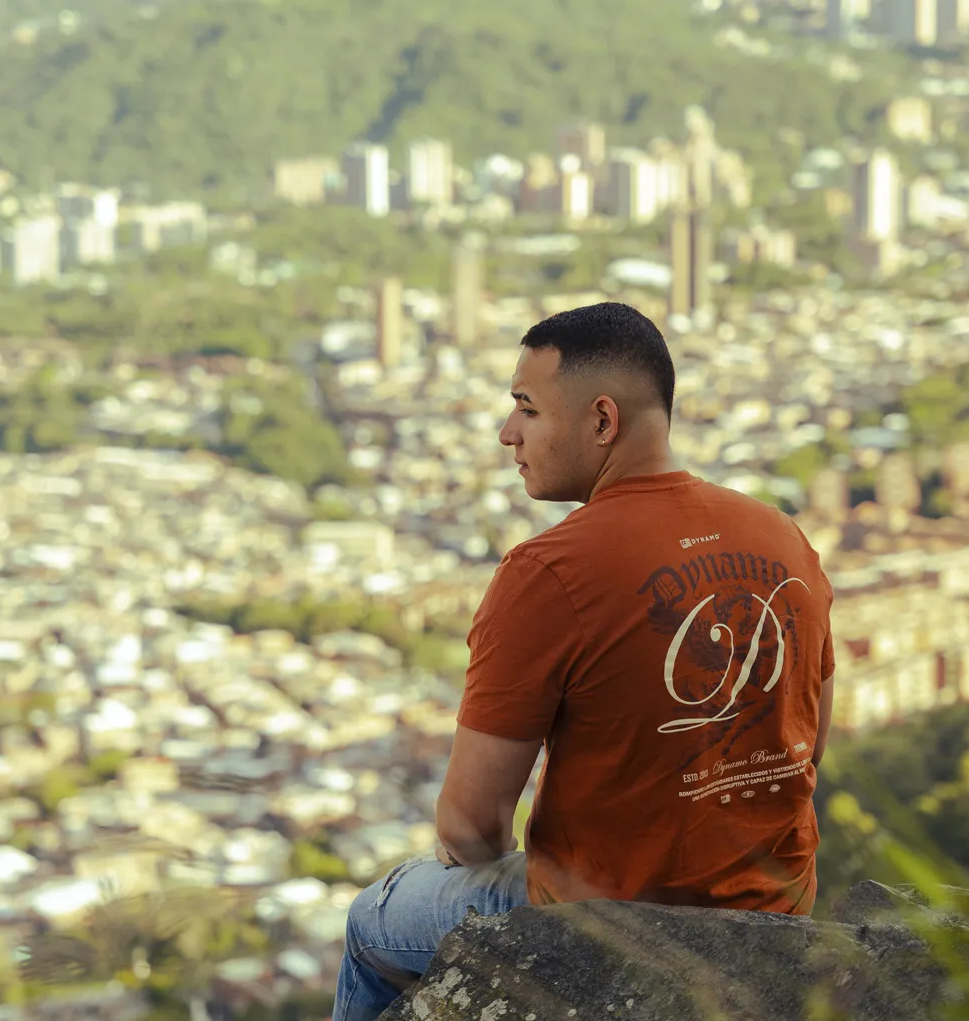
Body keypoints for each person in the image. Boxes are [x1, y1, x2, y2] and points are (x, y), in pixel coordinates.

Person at [333, 302, 835, 1021]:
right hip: (775, 910)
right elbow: (809, 741)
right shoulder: (784, 537)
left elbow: (472, 826)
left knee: (373, 917)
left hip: (607, 926)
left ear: (602, 421)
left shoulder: (548, 571)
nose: (507, 434)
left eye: (527, 409)